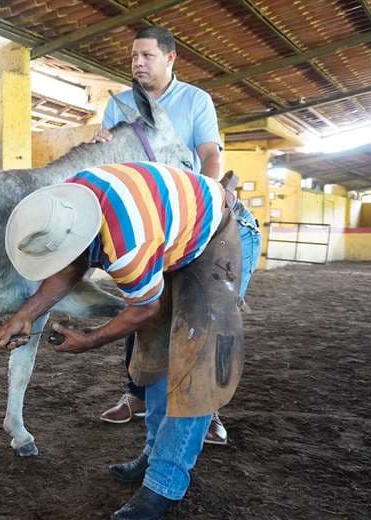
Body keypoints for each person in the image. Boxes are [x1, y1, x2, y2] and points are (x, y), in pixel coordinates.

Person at [0, 161, 255, 519]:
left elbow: (143, 310)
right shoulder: (69, 201)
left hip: (221, 234)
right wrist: (26, 313)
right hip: (172, 235)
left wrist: (89, 340)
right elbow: (73, 264)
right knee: (155, 353)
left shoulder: (127, 247)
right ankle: (154, 453)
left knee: (195, 359)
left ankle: (164, 483)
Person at [92, 26, 260, 446]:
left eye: (147, 55)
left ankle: (207, 408)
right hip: (145, 221)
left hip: (187, 218)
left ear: (170, 58)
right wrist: (99, 145)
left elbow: (209, 153)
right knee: (143, 303)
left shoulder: (195, 100)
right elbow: (111, 160)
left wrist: (209, 195)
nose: (137, 63)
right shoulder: (120, 105)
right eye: (133, 56)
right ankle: (136, 394)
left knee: (203, 314)